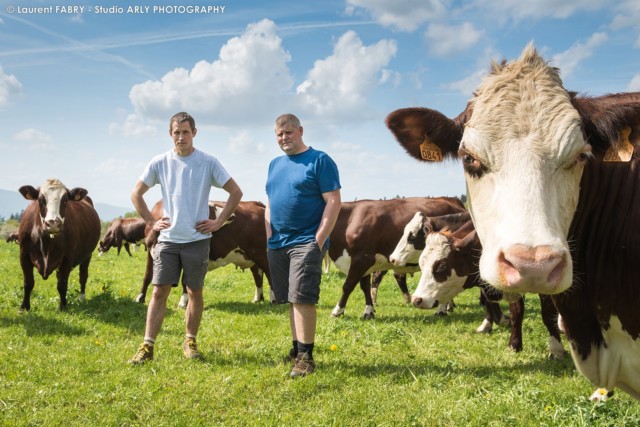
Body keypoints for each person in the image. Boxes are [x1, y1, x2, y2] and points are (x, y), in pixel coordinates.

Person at [129, 112, 243, 364]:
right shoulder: (160, 162)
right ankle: (147, 346)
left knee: (194, 292)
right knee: (159, 291)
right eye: (176, 132)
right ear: (170, 134)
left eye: (186, 132)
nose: (181, 137)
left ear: (194, 133)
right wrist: (151, 221)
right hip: (168, 240)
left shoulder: (208, 162)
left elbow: (236, 192)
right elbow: (136, 193)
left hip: (197, 240)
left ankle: (190, 342)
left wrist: (218, 222)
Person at [265, 114, 342, 377]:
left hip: (305, 241)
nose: (283, 138)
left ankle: (306, 357)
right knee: (290, 298)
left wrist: (317, 241)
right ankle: (297, 348)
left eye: (288, 132)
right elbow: (270, 203)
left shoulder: (319, 160)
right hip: (278, 242)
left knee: (302, 297)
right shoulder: (275, 164)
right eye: (279, 134)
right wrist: (268, 236)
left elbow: (333, 201)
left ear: (300, 131)